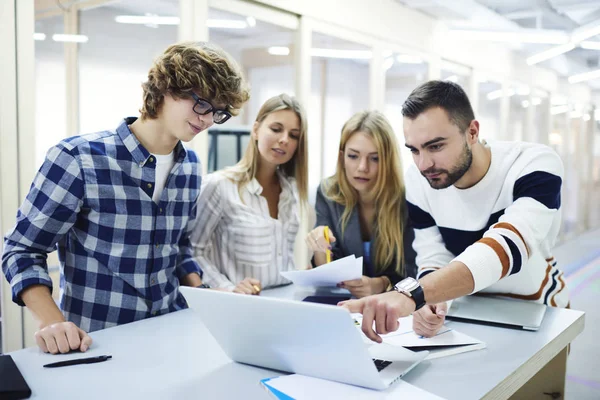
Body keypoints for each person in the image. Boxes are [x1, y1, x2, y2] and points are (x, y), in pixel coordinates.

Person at [2, 41, 250, 354]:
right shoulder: (79, 159)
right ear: (165, 88)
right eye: (202, 104)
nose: (208, 119)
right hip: (97, 345)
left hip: (172, 336)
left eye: (218, 112)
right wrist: (53, 322)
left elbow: (178, 246)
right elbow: (22, 249)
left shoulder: (190, 166)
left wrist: (207, 297)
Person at [341, 80, 569, 341]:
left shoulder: (534, 164)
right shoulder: (418, 180)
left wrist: (413, 294)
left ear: (472, 132)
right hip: (465, 314)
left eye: (436, 146)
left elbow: (509, 245)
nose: (424, 164)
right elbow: (434, 253)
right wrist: (431, 303)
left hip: (538, 311)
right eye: (414, 150)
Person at [191, 94, 308, 294]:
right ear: (256, 130)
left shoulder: (291, 190)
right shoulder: (220, 186)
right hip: (239, 307)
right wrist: (229, 289)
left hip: (287, 302)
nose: (284, 140)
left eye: (294, 135)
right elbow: (192, 252)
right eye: (276, 129)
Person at [306, 110, 415, 298]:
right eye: (353, 156)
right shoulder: (327, 193)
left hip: (395, 306)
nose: (362, 167)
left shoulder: (407, 200)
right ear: (342, 157)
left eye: (375, 158)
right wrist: (320, 249)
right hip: (345, 304)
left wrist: (380, 284)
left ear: (387, 161)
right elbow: (327, 271)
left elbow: (415, 269)